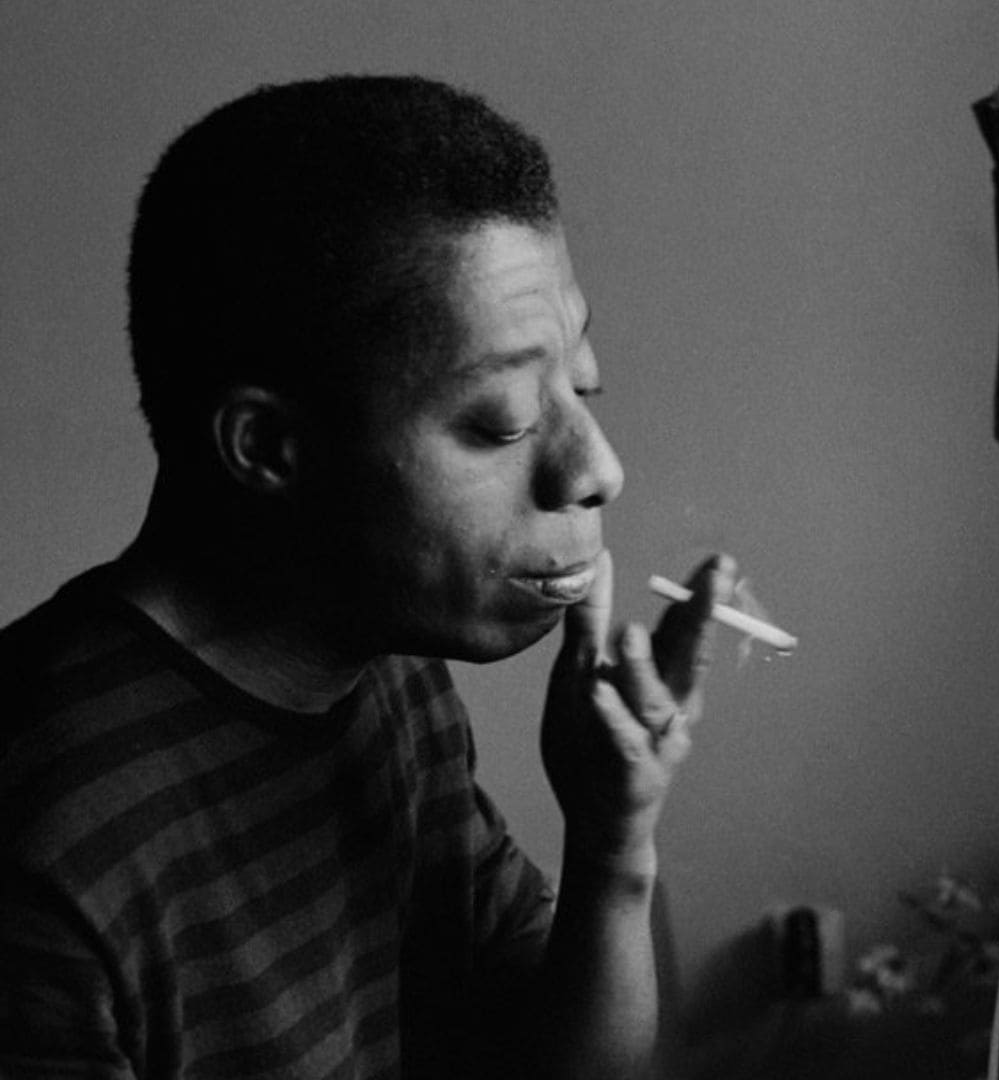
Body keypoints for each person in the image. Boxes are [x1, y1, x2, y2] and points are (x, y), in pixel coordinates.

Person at [0, 74, 729, 1078]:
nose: (596, 469)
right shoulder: (49, 850)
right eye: (499, 422)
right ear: (267, 446)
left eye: (581, 384)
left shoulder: (388, 678)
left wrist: (613, 845)